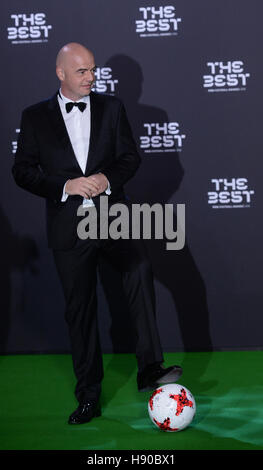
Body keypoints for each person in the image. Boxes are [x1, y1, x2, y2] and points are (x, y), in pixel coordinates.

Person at [12, 43, 183, 424]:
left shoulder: (112, 108)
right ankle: (88, 394)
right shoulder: (36, 116)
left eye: (93, 70)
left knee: (138, 269)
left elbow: (130, 158)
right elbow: (22, 170)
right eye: (82, 72)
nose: (91, 77)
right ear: (61, 74)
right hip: (68, 224)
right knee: (81, 310)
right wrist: (65, 186)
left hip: (111, 217)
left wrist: (106, 179)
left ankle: (149, 368)